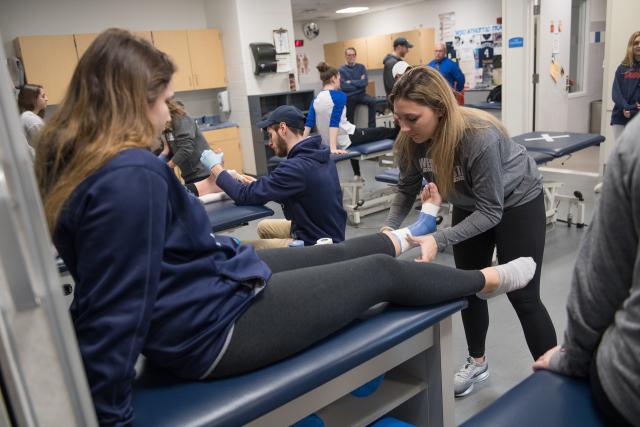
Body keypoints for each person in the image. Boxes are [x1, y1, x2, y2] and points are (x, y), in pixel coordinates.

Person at [34, 29, 537, 425]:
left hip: (212, 287)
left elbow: (109, 286)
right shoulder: (130, 176)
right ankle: (490, 280)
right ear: (130, 100)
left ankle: (404, 237)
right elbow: (113, 311)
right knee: (378, 275)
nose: (168, 114)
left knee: (337, 253)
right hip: (213, 327)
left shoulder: (80, 166)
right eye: (163, 100)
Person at [384, 66, 557, 397]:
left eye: (412, 118)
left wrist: (438, 237)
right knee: (469, 287)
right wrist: (389, 232)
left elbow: (491, 210)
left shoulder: (478, 135)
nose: (404, 128)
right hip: (468, 199)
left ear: (438, 109)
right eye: (399, 120)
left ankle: (553, 373)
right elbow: (406, 188)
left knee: (523, 294)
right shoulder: (411, 140)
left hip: (516, 199)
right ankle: (477, 363)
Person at [533, 115, 640, 427]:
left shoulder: (634, 143)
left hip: (627, 395)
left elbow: (600, 286)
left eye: (411, 118)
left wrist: (572, 358)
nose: (403, 126)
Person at [200, 105, 347, 248]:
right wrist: (262, 185)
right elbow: (300, 189)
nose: (270, 142)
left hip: (315, 242)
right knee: (264, 227)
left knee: (242, 248)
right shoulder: (318, 152)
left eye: (270, 135)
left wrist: (215, 167)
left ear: (283, 129)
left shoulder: (296, 167)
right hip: (326, 229)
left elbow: (243, 195)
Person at [304, 62, 398, 179]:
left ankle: (357, 174)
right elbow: (334, 122)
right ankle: (400, 133)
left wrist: (302, 143)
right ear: (333, 78)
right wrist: (333, 148)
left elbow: (309, 122)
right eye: (339, 78)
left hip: (331, 141)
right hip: (347, 138)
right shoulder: (338, 96)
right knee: (382, 131)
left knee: (372, 131)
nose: (340, 81)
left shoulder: (315, 99)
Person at [610, 31, 640, 143]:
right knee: (621, 153)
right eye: (636, 43)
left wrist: (632, 110)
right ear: (631, 46)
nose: (639, 46)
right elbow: (616, 92)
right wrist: (625, 107)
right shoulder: (622, 68)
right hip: (620, 117)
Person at [339, 47, 377, 128]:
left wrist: (351, 82)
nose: (351, 57)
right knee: (349, 117)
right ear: (345, 56)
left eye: (353, 55)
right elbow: (344, 87)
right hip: (350, 97)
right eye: (349, 55)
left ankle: (372, 127)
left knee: (373, 102)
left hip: (361, 95)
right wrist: (359, 83)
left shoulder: (361, 67)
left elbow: (365, 83)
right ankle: (352, 134)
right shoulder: (341, 70)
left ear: (356, 56)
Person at [17, 83, 48, 148]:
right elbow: (44, 147)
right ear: (32, 99)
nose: (46, 99)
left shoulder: (25, 116)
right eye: (43, 96)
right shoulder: (32, 120)